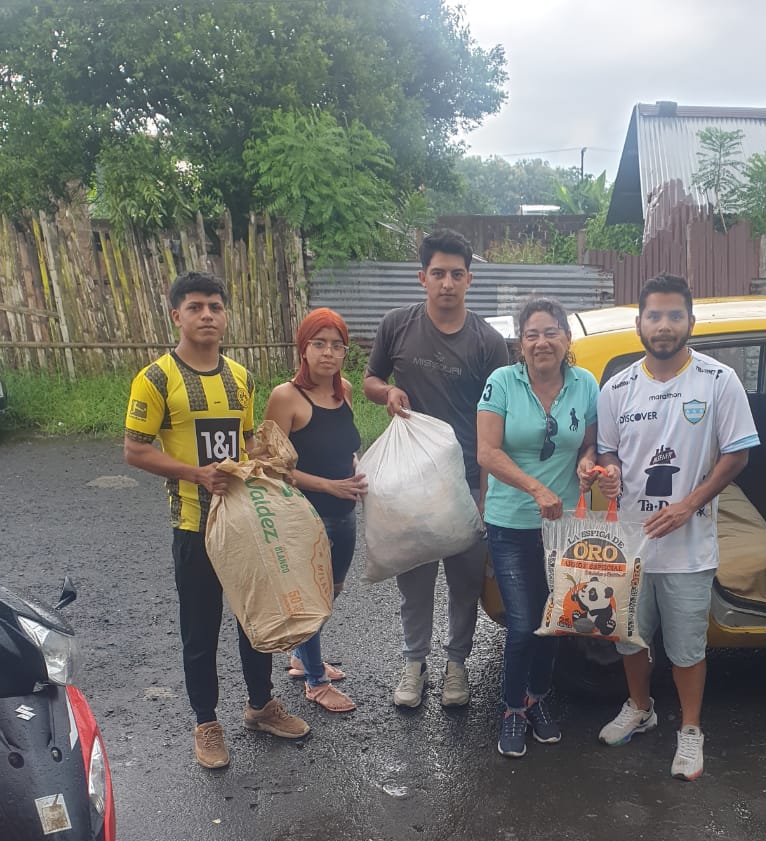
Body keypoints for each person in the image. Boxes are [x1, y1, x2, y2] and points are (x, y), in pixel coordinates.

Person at [123, 270, 310, 769]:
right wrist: (195, 474)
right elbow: (135, 450)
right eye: (196, 307)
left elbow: (247, 441)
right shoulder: (156, 378)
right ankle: (206, 722)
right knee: (200, 629)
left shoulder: (241, 378)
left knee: (256, 618)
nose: (207, 315)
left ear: (225, 316)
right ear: (176, 316)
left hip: (244, 523)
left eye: (215, 307)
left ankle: (260, 706)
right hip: (194, 525)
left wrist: (268, 463)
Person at [595, 272, 759, 780]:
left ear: (690, 320)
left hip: (689, 547)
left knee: (687, 648)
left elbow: (738, 454)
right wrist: (609, 471)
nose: (663, 325)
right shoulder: (617, 388)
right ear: (639, 323)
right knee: (629, 639)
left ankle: (690, 730)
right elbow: (607, 451)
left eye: (673, 315)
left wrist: (689, 504)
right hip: (630, 544)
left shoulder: (717, 381)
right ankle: (640, 708)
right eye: (654, 316)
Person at [364, 228, 509, 710]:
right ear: (422, 277)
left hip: (465, 482)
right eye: (439, 273)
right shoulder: (397, 325)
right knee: (414, 579)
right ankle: (413, 664)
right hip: (411, 483)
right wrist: (388, 392)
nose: (448, 283)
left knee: (465, 583)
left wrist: (487, 494)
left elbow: (497, 421)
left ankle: (457, 664)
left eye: (457, 274)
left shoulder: (488, 342)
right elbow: (369, 379)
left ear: (470, 280)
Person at [477, 297, 600, 758]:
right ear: (520, 343)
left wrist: (587, 463)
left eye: (551, 333)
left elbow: (590, 444)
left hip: (563, 526)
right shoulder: (502, 382)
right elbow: (487, 452)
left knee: (555, 622)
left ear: (566, 339)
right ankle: (512, 708)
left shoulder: (585, 384)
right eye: (532, 334)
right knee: (523, 623)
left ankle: (536, 699)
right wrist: (536, 489)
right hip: (511, 522)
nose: (542, 342)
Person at [264, 307, 366, 713]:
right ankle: (315, 681)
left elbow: (346, 447)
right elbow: (272, 466)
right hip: (304, 516)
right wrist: (329, 485)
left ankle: (301, 656)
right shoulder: (286, 397)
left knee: (332, 592)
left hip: (344, 512)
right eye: (319, 344)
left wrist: (356, 468)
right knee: (311, 599)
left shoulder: (345, 391)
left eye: (337, 346)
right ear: (303, 349)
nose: (328, 353)